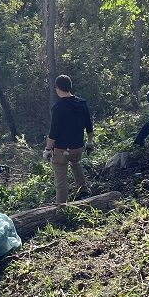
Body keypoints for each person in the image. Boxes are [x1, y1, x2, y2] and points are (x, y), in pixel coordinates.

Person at [43, 75, 94, 204]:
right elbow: (89, 125)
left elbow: (53, 132)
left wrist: (47, 149)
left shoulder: (58, 107)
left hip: (62, 150)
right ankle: (84, 192)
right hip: (78, 147)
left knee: (60, 178)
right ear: (70, 87)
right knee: (76, 164)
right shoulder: (82, 103)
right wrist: (89, 142)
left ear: (58, 89)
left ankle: (62, 206)